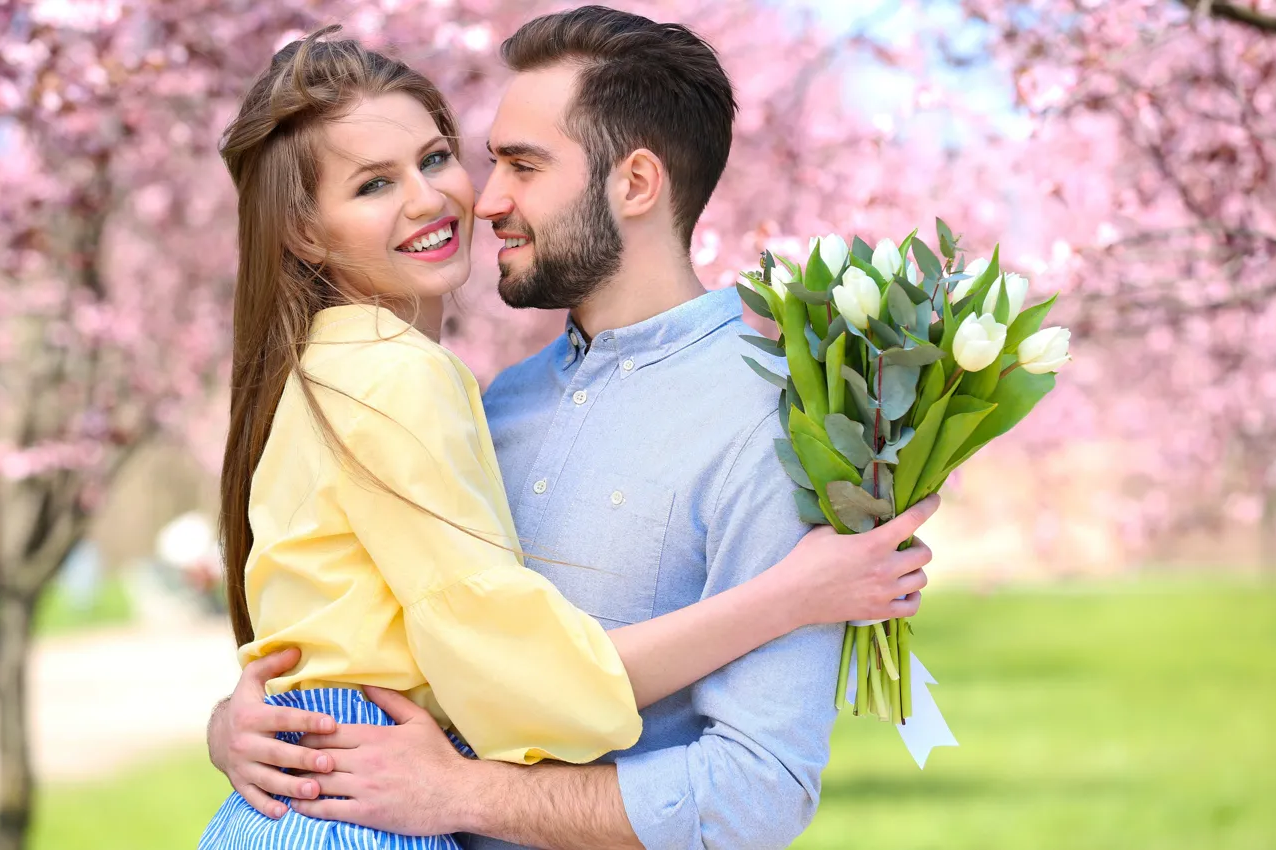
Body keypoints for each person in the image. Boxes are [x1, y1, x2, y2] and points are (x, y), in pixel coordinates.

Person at [206, 11, 937, 850]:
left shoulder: (773, 424)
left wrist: (463, 795)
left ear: (634, 184)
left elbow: (755, 795)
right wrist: (240, 727)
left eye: (519, 165)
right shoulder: (483, 401)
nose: (484, 201)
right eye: (490, 163)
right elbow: (377, 630)